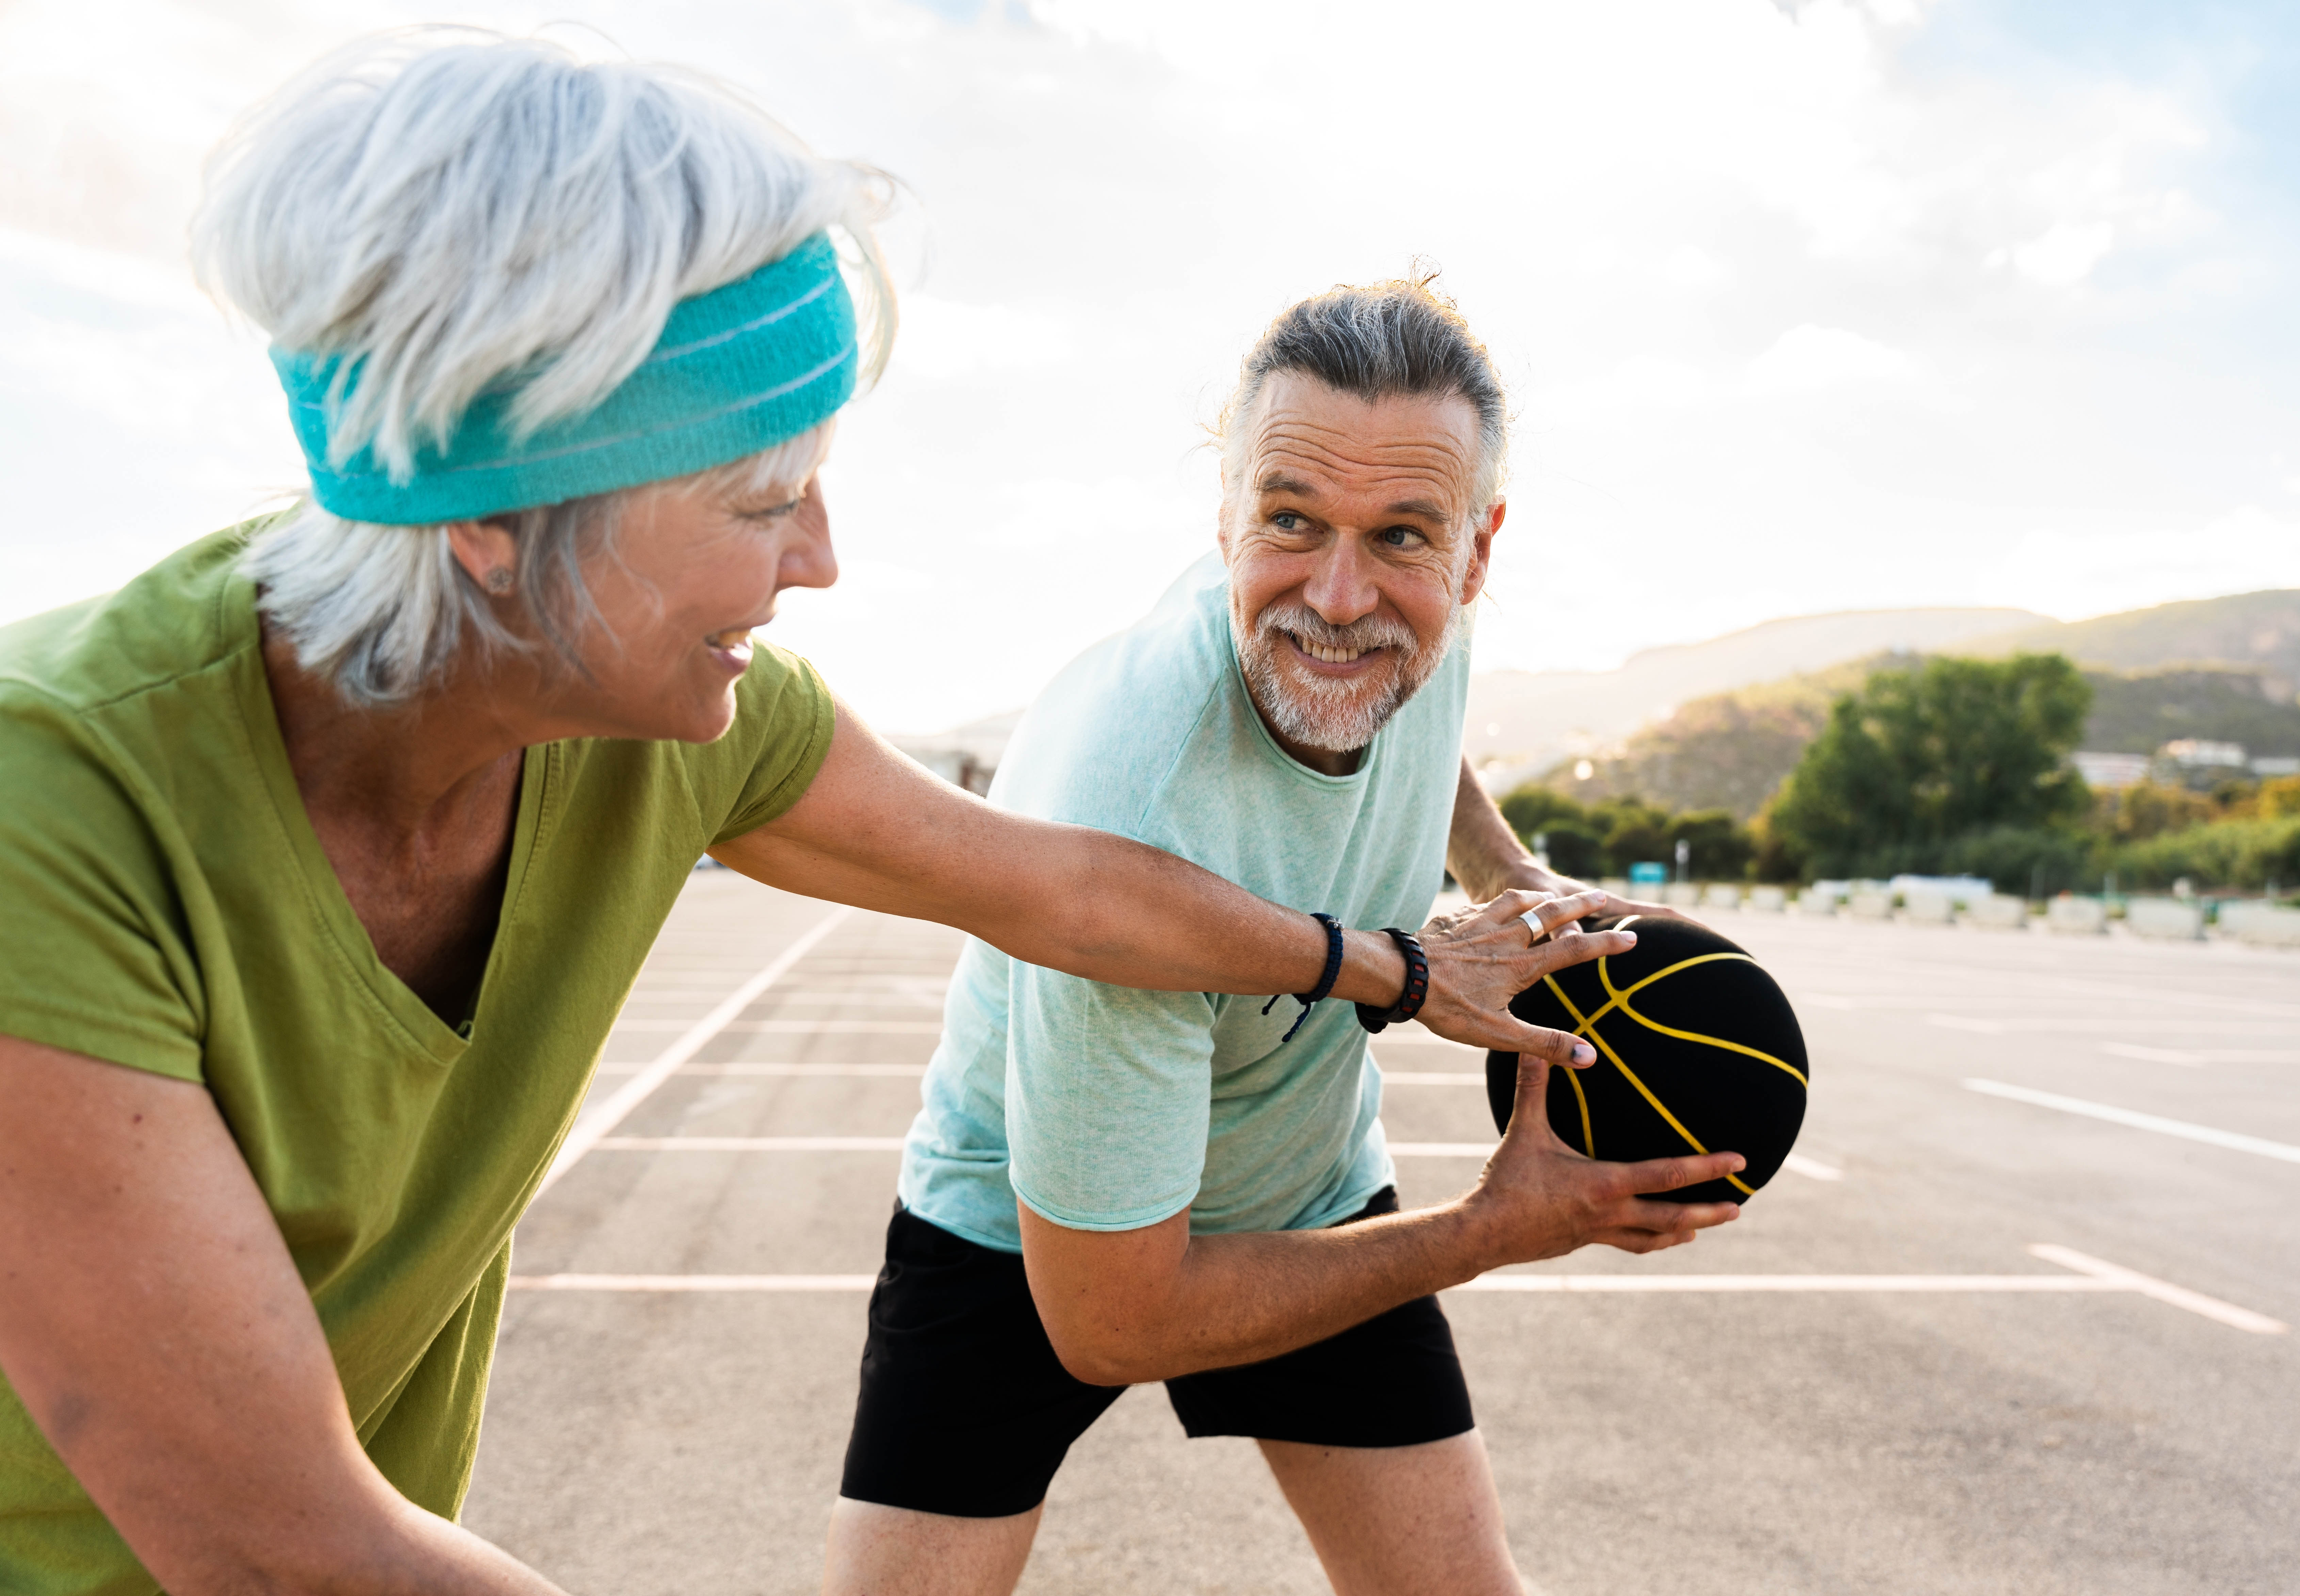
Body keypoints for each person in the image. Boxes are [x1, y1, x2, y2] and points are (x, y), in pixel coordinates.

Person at [0, 35, 1624, 1596]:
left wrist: (1402, 974)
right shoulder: (46, 818)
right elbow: (284, 1554)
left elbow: (1068, 897)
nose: (822, 558)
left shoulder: (674, 716)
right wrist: (1480, 1214)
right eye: (763, 497)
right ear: (498, 521)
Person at [826, 278, 1746, 1596]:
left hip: (1303, 1184)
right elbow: (1113, 1320)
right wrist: (1488, 1226)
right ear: (1224, 515)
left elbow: (1414, 712)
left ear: (1476, 556)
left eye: (1403, 539)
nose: (1335, 594)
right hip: (1024, 1231)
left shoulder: (1423, 629)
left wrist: (1510, 870)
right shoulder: (1135, 805)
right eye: (1291, 520)